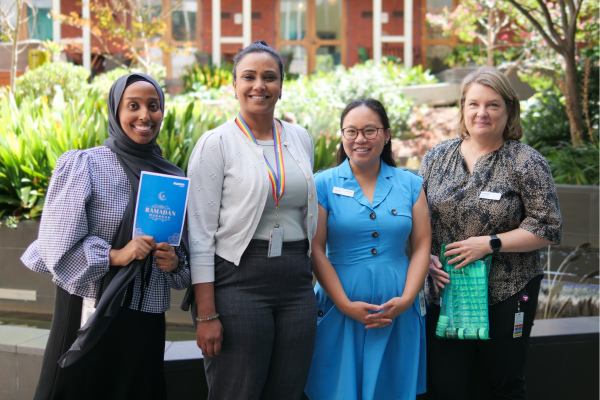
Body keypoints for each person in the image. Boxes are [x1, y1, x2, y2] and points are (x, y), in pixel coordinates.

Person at [21, 73, 190, 400]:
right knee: (75, 389)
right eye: (133, 106)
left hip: (145, 313)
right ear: (116, 111)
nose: (145, 115)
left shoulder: (171, 177)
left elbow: (185, 260)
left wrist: (174, 261)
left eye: (153, 106)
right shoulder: (86, 164)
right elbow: (56, 246)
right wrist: (116, 255)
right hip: (89, 301)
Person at [419, 66, 562, 399]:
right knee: (445, 384)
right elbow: (415, 219)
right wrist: (423, 256)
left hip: (508, 291)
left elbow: (548, 226)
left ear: (508, 109)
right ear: (463, 109)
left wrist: (491, 244)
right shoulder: (436, 158)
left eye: (493, 105)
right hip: (446, 291)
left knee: (502, 383)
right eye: (473, 104)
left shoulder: (526, 161)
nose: (481, 112)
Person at [187, 41, 318, 400]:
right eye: (249, 76)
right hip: (239, 280)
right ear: (234, 85)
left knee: (288, 390)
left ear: (281, 86)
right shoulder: (216, 144)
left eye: (269, 77)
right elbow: (199, 234)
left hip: (295, 280)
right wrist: (206, 314)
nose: (259, 85)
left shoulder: (300, 138)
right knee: (237, 391)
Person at [304, 98, 431, 400]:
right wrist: (345, 304)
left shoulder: (411, 184)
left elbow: (422, 243)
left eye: (369, 130)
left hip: (398, 306)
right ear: (342, 136)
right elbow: (316, 249)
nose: (360, 139)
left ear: (386, 135)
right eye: (351, 131)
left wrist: (407, 298)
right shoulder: (321, 184)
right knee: (337, 388)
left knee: (393, 388)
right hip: (339, 305)